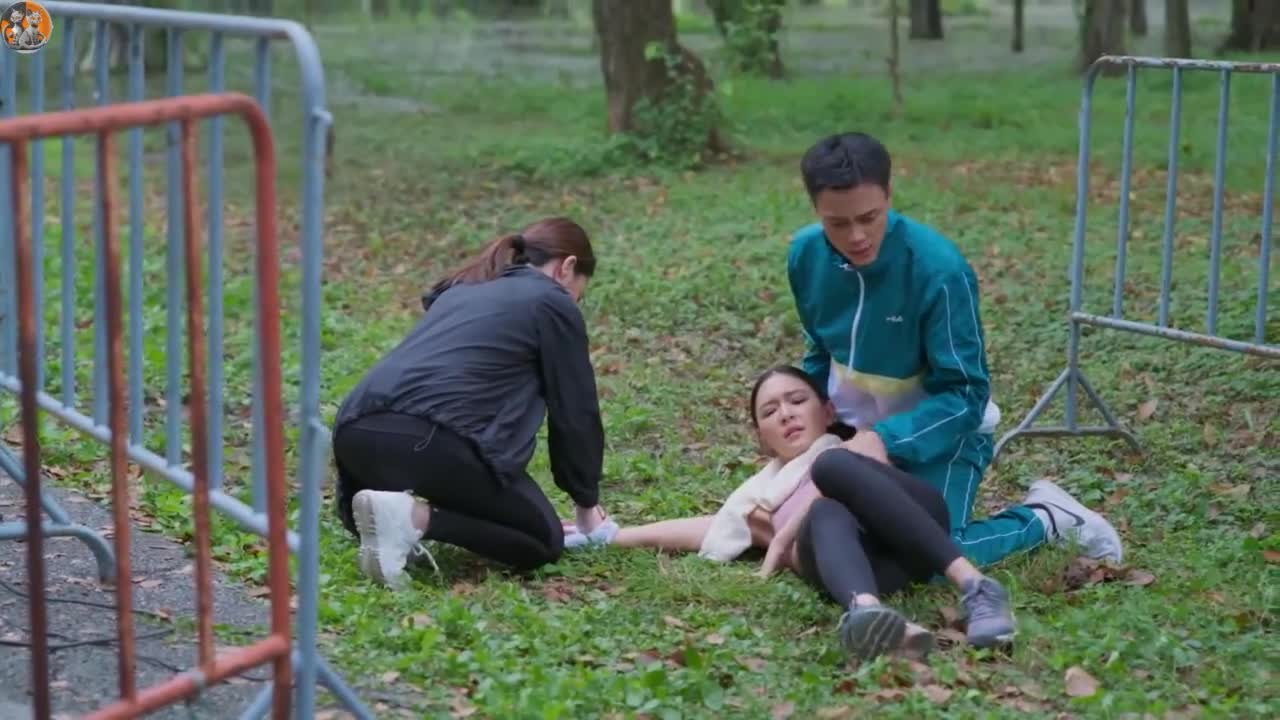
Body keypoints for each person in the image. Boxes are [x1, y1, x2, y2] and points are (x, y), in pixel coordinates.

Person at [785, 131, 1123, 569]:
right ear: (816, 210)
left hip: (947, 437)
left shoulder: (939, 270)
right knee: (821, 540)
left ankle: (1048, 519)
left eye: (869, 217)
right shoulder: (805, 255)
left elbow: (966, 394)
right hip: (853, 437)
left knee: (937, 556)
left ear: (889, 194)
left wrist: (885, 439)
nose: (857, 236)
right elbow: (819, 348)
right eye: (838, 223)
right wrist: (810, 420)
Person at [566, 364, 1018, 661]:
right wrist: (613, 536)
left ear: (827, 410)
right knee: (826, 516)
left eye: (797, 401)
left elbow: (859, 476)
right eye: (770, 411)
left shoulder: (856, 446)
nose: (785, 414)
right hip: (869, 567)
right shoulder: (760, 496)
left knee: (831, 468)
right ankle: (871, 617)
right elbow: (711, 527)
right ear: (761, 436)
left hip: (911, 527)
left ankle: (976, 586)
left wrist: (785, 531)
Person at [331, 217, 612, 589]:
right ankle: (414, 519)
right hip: (432, 438)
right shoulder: (551, 302)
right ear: (567, 267)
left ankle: (389, 515)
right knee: (543, 539)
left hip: (354, 434)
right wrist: (586, 507)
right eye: (580, 293)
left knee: (488, 497)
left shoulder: (463, 290)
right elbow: (575, 412)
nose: (575, 301)